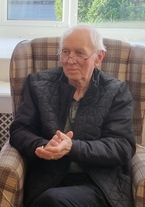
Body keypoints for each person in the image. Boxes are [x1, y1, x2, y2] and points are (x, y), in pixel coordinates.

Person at [9, 25, 136, 207]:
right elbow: (20, 130)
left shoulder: (116, 91)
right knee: (50, 199)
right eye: (65, 52)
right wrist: (43, 145)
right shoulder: (38, 84)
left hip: (98, 183)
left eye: (79, 53)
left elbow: (122, 146)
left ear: (98, 57)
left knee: (52, 201)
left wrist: (72, 147)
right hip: (49, 179)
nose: (70, 60)